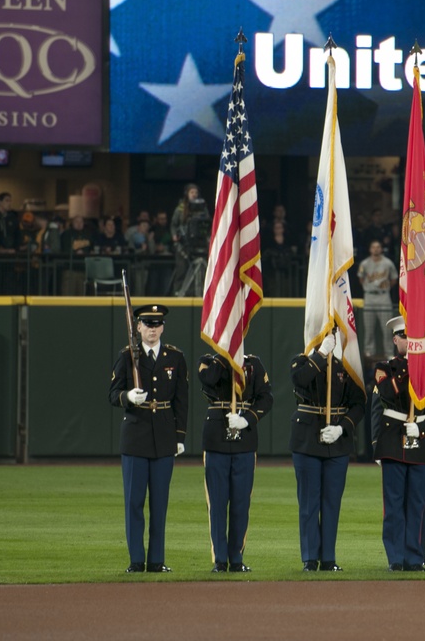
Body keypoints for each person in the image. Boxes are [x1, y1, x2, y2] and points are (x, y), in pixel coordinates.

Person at [108, 304, 188, 573]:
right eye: (147, 324)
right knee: (134, 502)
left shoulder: (175, 357)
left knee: (160, 503)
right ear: (138, 327)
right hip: (135, 435)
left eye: (156, 324)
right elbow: (112, 393)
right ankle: (136, 560)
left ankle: (156, 560)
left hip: (164, 436)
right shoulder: (128, 356)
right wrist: (128, 397)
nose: (152, 329)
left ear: (162, 327)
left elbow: (181, 400)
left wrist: (180, 436)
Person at [370, 316, 425, 571]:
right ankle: (396, 557)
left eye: (415, 337)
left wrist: (424, 429)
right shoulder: (384, 368)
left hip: (423, 441)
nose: (410, 342)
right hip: (393, 440)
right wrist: (413, 365)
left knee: (418, 503)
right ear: (396, 340)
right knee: (394, 504)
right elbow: (387, 393)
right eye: (405, 337)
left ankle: (415, 556)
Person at [289, 331, 366, 572]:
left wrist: (342, 428)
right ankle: (310, 558)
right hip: (307, 441)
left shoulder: (346, 366)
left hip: (337, 442)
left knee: (332, 503)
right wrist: (321, 353)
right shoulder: (302, 360)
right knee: (310, 503)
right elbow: (300, 380)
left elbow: (358, 404)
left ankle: (329, 558)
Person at [197, 351, 273, 573]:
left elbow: (266, 397)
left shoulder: (253, 363)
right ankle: (220, 559)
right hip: (215, 440)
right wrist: (224, 354)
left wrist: (247, 419)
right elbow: (209, 379)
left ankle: (236, 558)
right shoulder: (207, 361)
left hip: (245, 440)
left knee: (241, 504)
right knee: (217, 504)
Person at [356, 240, 398, 362]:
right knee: (368, 327)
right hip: (369, 296)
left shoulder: (388, 263)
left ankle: (389, 353)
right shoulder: (364, 263)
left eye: (378, 247)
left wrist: (386, 286)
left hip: (383, 296)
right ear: (370, 249)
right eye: (373, 247)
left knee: (387, 328)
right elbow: (361, 278)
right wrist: (369, 287)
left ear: (381, 249)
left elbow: (394, 279)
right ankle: (369, 351)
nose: (375, 249)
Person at [170, 184, 211, 297]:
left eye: (196, 192)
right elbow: (173, 225)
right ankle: (178, 293)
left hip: (199, 243)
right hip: (183, 245)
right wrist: (174, 235)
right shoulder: (180, 208)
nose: (194, 195)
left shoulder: (203, 207)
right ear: (187, 194)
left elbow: (207, 224)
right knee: (182, 270)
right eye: (192, 192)